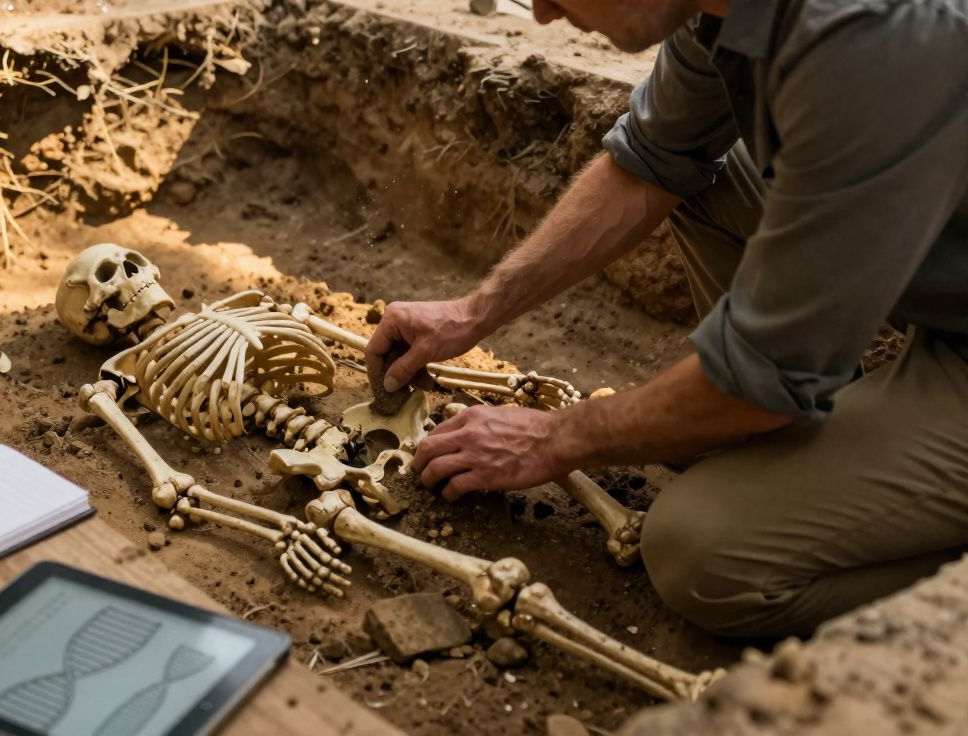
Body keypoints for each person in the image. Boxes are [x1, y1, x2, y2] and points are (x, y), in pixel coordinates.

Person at [366, 0, 968, 638]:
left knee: (700, 552)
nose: (540, 13)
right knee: (716, 177)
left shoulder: (876, 39)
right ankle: (824, 447)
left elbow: (759, 375)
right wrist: (471, 313)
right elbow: (651, 164)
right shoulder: (716, 12)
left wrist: (551, 438)